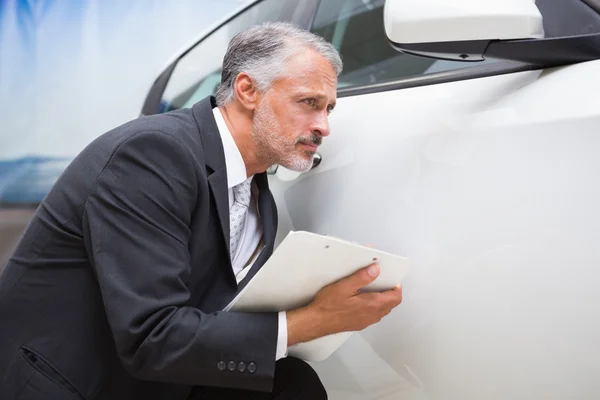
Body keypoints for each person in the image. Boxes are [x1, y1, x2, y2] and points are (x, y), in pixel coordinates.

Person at [0, 22, 403, 399]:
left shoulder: (258, 193)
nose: (323, 126)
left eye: (328, 108)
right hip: (71, 384)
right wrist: (307, 322)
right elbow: (150, 336)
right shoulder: (153, 155)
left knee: (292, 384)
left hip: (154, 378)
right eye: (308, 102)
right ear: (247, 90)